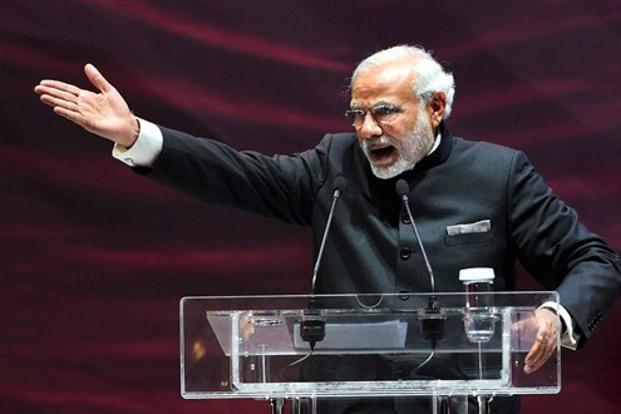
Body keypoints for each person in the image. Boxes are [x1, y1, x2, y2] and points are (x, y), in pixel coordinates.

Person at [35, 45, 621, 413]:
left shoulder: (499, 173)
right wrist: (136, 134)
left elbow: (593, 260)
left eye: (384, 112)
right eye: (357, 114)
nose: (367, 130)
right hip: (339, 404)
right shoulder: (333, 165)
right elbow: (240, 174)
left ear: (436, 108)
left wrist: (556, 314)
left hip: (462, 401)